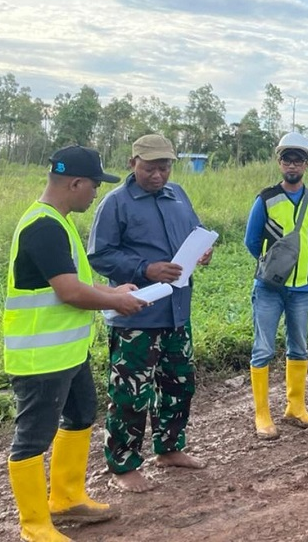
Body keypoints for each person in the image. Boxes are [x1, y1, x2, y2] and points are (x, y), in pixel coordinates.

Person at [5, 145, 146, 541]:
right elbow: (69, 292)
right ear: (75, 183)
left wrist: (112, 289)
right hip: (40, 357)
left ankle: (66, 499)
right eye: (94, 185)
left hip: (66, 351)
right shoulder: (44, 226)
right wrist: (116, 300)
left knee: (81, 414)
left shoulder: (58, 223)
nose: (96, 193)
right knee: (32, 437)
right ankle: (34, 525)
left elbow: (79, 280)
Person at [88, 134, 211, 493]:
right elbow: (100, 255)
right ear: (132, 164)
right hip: (136, 316)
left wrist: (203, 253)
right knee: (130, 393)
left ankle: (170, 448)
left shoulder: (179, 196)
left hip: (176, 312)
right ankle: (123, 464)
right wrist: (146, 268)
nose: (158, 175)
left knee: (178, 384)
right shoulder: (116, 203)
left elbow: (195, 234)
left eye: (164, 167)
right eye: (150, 168)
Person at [244, 132, 308, 440]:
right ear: (279, 162)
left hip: (302, 288)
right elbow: (251, 241)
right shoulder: (266, 198)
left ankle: (296, 407)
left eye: (298, 159)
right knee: (263, 349)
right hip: (269, 288)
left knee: (299, 347)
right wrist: (274, 267)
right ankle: (262, 414)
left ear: (307, 164)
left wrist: (297, 266)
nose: (292, 164)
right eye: (286, 159)